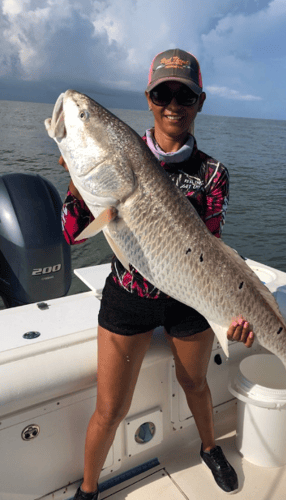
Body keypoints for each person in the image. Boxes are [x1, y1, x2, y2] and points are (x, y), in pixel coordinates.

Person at [61, 48, 254, 499]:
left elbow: (211, 251)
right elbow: (72, 236)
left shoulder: (212, 174)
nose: (173, 104)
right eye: (163, 93)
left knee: (196, 384)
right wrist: (75, 181)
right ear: (149, 98)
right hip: (129, 294)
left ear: (199, 103)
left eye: (184, 95)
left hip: (189, 295)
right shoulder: (110, 156)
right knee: (109, 409)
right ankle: (89, 489)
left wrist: (233, 316)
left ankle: (209, 447)